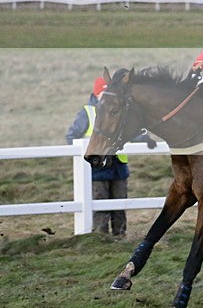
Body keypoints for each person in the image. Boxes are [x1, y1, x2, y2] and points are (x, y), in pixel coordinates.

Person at [66, 77, 157, 237]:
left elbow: (128, 131)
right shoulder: (87, 112)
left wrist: (145, 140)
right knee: (99, 202)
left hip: (118, 166)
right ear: (97, 93)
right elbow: (72, 136)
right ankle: (100, 238)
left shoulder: (120, 111)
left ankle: (120, 236)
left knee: (120, 202)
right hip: (97, 168)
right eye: (104, 92)